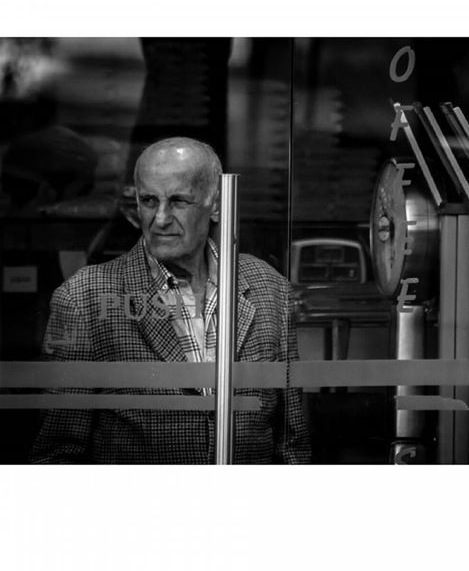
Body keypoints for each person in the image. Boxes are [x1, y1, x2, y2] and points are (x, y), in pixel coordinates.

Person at [30, 137, 311, 464]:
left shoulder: (268, 287)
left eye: (178, 201)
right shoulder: (85, 297)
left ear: (216, 204)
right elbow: (57, 456)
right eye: (149, 200)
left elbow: (292, 444)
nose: (160, 218)